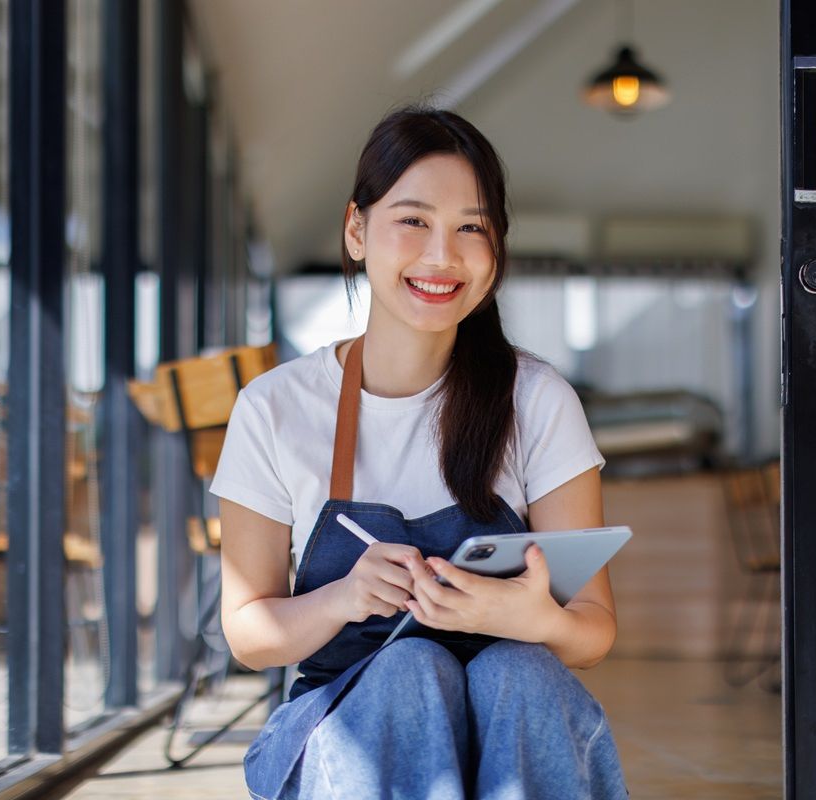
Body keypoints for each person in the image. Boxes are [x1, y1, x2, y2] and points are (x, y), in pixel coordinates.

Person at [210, 103, 629, 800]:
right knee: (409, 672)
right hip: (346, 733)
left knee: (517, 671)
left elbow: (593, 630)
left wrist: (531, 620)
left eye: (472, 228)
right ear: (356, 229)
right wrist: (344, 597)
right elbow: (250, 633)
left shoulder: (538, 399)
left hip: (510, 728)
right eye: (413, 220)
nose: (443, 255)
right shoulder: (276, 408)